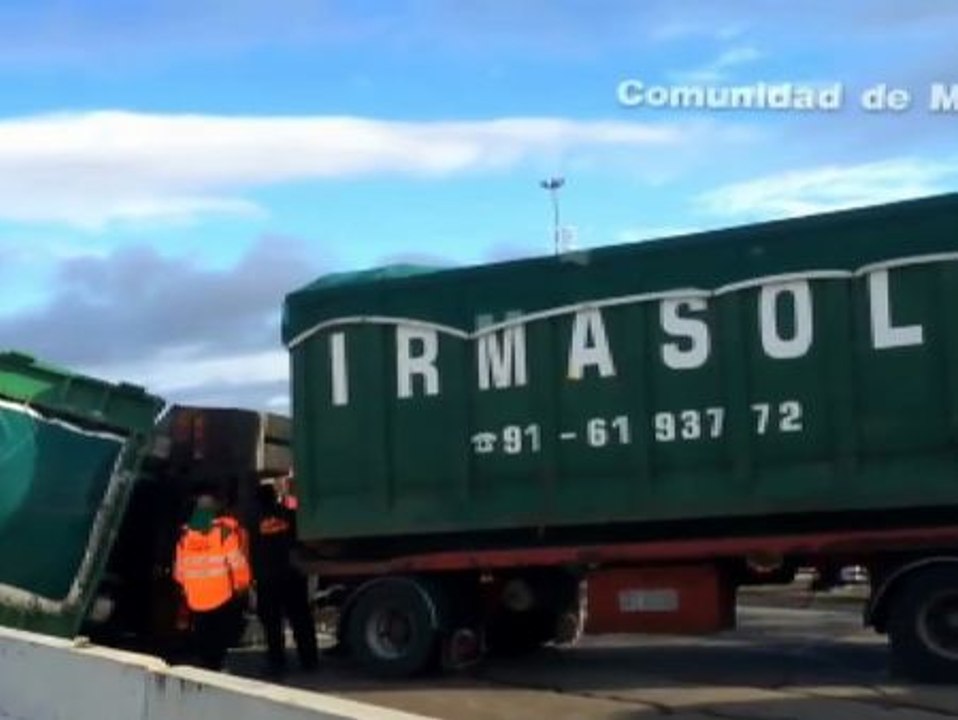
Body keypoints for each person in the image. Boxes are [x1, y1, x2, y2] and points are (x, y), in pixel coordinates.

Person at [173, 493, 252, 671]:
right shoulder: (224, 532)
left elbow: (179, 573)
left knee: (203, 635)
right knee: (220, 634)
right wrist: (242, 585)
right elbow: (237, 563)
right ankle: (216, 664)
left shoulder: (185, 536)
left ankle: (207, 663)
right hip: (220, 596)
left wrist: (189, 588)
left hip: (195, 598)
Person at [250, 482, 319, 676]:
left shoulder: (251, 519)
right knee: (301, 619)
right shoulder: (289, 515)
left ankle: (277, 662)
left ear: (257, 500)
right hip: (292, 574)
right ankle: (309, 659)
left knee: (272, 623)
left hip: (267, 577)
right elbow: (302, 541)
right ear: (274, 497)